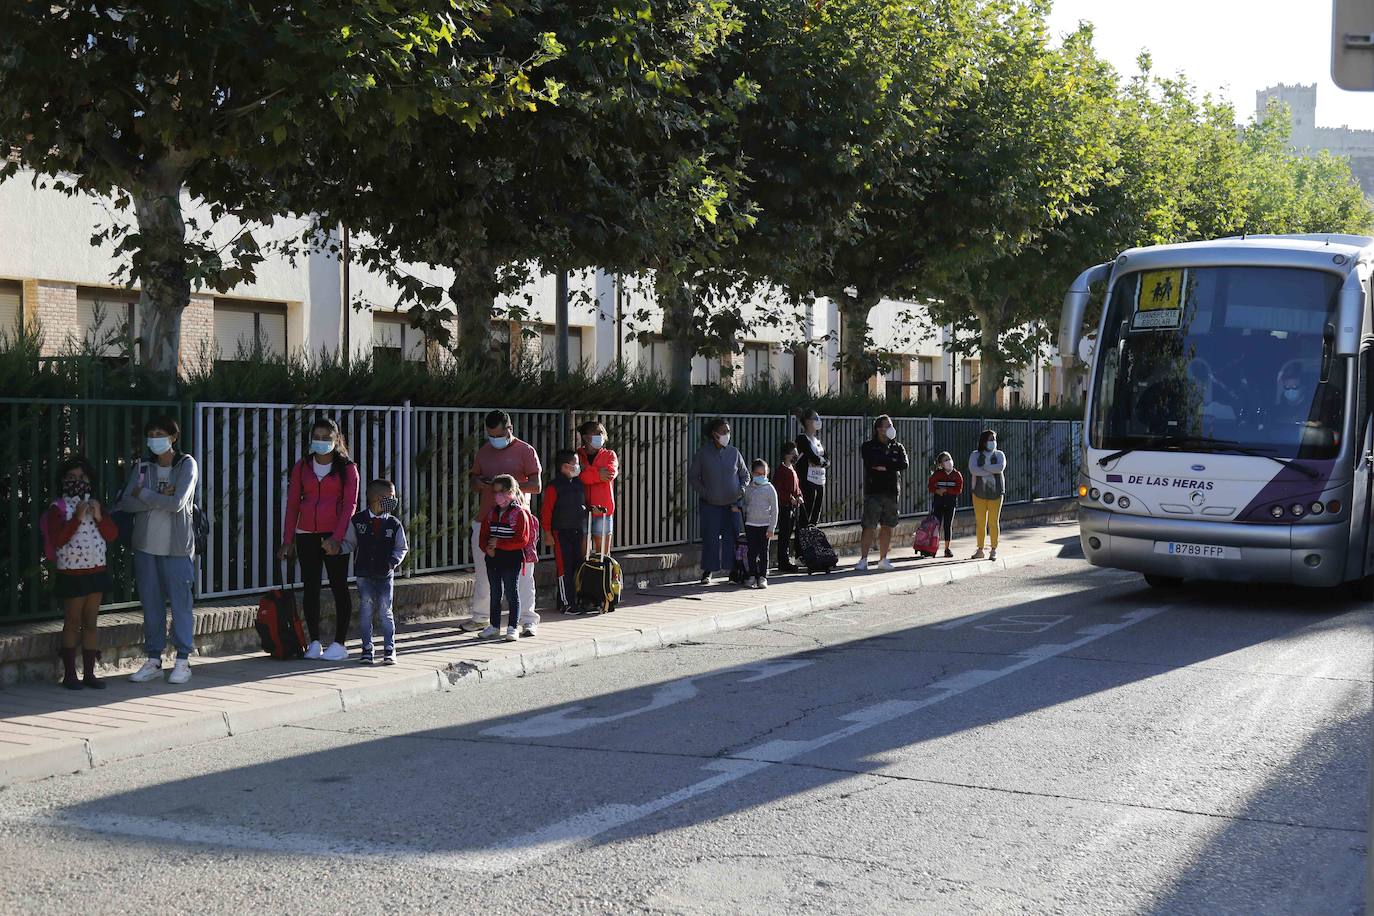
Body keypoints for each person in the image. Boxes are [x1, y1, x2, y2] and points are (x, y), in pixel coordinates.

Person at [120, 416, 199, 686]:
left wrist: (145, 495)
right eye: (151, 433)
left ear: (173, 437)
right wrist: (155, 498)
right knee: (151, 605)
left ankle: (182, 661)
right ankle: (154, 659)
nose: (155, 438)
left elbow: (178, 503)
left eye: (160, 433)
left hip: (177, 548)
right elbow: (126, 503)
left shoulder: (186, 464)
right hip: (145, 547)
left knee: (181, 605)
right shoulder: (142, 467)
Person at [277, 417, 359, 662]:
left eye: (327, 438)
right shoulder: (302, 466)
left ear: (337, 440)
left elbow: (349, 506)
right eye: (317, 437)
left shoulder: (347, 469)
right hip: (306, 534)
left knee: (338, 587)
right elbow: (292, 505)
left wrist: (336, 538)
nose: (321, 442)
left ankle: (339, 643)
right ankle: (314, 642)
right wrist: (287, 540)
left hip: (334, 536)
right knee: (310, 587)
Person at [43, 456, 118, 690]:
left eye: (83, 477)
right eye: (72, 478)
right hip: (72, 573)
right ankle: (69, 674)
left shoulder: (96, 505)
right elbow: (58, 539)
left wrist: (98, 516)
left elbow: (112, 534)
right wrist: (76, 518)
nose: (78, 482)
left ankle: (89, 673)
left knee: (91, 622)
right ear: (63, 481)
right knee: (73, 622)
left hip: (96, 570)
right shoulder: (59, 508)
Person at [467, 410, 542, 634]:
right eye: (490, 435)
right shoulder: (484, 451)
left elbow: (537, 486)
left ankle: (528, 620)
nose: (494, 440)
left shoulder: (526, 451)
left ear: (509, 429)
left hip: (517, 523)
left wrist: (509, 487)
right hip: (487, 521)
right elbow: (473, 481)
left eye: (498, 435)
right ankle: (482, 618)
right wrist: (480, 483)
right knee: (485, 573)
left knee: (523, 575)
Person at [339, 479, 408, 665]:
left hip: (385, 575)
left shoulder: (394, 524)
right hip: (363, 574)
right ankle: (367, 649)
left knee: (386, 611)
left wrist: (392, 563)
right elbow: (350, 543)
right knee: (366, 610)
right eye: (391, 497)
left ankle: (389, 648)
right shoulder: (358, 521)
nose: (394, 500)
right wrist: (336, 548)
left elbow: (402, 548)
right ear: (378, 498)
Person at [688, 418, 749, 585]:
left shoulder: (734, 453)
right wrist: (705, 493)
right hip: (710, 504)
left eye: (728, 431)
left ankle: (732, 571)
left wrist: (741, 490)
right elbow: (693, 477)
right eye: (724, 431)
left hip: (732, 505)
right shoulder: (703, 453)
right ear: (714, 434)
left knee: (732, 538)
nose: (727, 434)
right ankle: (708, 571)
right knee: (710, 538)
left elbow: (745, 476)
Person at [479, 474, 533, 641]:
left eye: (501, 492)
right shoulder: (491, 513)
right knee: (495, 592)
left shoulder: (519, 513)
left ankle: (512, 627)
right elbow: (484, 535)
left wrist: (500, 544)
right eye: (495, 492)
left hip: (511, 559)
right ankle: (494, 626)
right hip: (493, 558)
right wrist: (487, 548)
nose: (497, 496)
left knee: (511, 592)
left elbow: (522, 539)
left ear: (510, 491)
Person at [857, 415, 908, 571]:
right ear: (879, 429)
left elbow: (903, 464)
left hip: (892, 491)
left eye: (891, 425)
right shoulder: (868, 446)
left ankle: (883, 559)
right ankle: (863, 559)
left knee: (887, 526)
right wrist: (890, 463)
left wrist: (887, 466)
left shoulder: (897, 447)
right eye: (887, 425)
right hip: (874, 491)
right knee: (869, 525)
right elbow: (872, 461)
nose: (891, 428)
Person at [541, 449, 587, 615]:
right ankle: (567, 603)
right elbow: (547, 511)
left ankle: (574, 600)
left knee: (577, 565)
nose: (578, 466)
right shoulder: (554, 486)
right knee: (564, 568)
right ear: (565, 466)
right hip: (561, 532)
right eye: (575, 463)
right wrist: (547, 533)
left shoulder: (579, 483)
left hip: (577, 530)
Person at [576, 420, 618, 556]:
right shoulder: (577, 455)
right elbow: (579, 477)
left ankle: (603, 577)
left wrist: (587, 470)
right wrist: (597, 473)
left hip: (603, 510)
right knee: (583, 553)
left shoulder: (610, 455)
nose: (601, 436)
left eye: (602, 433)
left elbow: (610, 474)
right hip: (582, 509)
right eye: (597, 433)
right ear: (585, 437)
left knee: (603, 556)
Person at [968, 429, 1006, 561]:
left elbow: (1000, 467)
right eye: (990, 439)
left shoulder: (999, 454)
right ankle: (980, 549)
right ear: (984, 441)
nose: (993, 442)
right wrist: (990, 471)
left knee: (993, 521)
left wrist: (983, 468)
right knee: (980, 522)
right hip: (978, 493)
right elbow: (973, 469)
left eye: (994, 439)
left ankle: (993, 549)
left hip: (996, 492)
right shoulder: (975, 455)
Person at [742, 459, 778, 589]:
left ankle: (762, 577)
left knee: (763, 552)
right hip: (751, 524)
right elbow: (746, 504)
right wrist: (741, 509)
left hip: (764, 525)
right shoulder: (749, 489)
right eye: (758, 473)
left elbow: (775, 509)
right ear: (752, 473)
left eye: (764, 474)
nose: (761, 476)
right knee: (751, 552)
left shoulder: (770, 489)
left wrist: (771, 527)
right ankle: (752, 576)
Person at [793, 408, 828, 533]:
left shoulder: (817, 441)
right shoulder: (802, 438)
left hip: (820, 481)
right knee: (805, 517)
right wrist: (820, 461)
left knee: (814, 517)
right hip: (808, 481)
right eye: (815, 418)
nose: (818, 421)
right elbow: (811, 456)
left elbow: (826, 459)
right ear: (807, 421)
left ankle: (810, 547)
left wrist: (821, 461)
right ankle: (800, 549)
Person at [771, 443, 803, 573]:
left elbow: (797, 488)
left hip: (792, 507)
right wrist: (790, 498)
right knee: (784, 535)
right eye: (792, 454)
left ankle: (785, 560)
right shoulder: (781, 471)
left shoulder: (792, 470)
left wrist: (799, 496)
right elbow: (778, 490)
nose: (795, 456)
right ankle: (783, 561)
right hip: (784, 507)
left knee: (788, 534)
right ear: (786, 455)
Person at [927, 451, 963, 560]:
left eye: (949, 459)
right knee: (936, 526)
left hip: (950, 503)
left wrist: (947, 490)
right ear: (941, 464)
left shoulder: (957, 475)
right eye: (945, 460)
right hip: (938, 503)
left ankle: (947, 548)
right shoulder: (937, 474)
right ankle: (933, 548)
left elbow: (959, 489)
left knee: (948, 525)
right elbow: (930, 486)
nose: (948, 462)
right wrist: (937, 491)